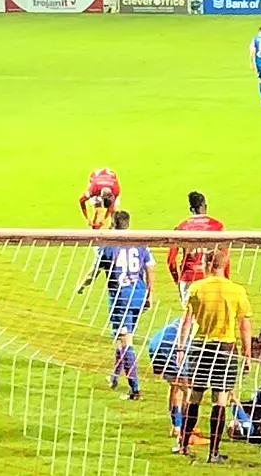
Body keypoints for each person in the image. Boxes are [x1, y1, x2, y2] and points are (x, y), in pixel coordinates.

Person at [176, 250, 253, 464]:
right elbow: (244, 325)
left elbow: (187, 321)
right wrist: (247, 354)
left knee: (195, 397)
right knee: (220, 399)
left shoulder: (196, 288)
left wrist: (181, 349)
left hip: (201, 346)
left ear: (208, 264)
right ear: (224, 264)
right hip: (225, 348)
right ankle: (214, 452)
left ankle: (183, 445)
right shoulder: (237, 291)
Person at [77, 210, 154, 400]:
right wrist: (150, 294)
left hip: (121, 299)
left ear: (113, 223)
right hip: (139, 295)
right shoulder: (140, 242)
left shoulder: (109, 246)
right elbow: (150, 268)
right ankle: (114, 377)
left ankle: (135, 389)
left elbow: (95, 271)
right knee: (124, 338)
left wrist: (82, 285)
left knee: (125, 342)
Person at [148, 320, 209, 448]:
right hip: (174, 343)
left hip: (157, 340)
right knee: (189, 390)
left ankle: (177, 425)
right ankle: (184, 433)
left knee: (176, 385)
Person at [167, 191, 229, 306]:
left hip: (188, 277)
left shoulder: (182, 227)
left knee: (189, 318)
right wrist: (225, 277)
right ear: (205, 207)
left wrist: (177, 278)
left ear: (191, 209)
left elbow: (171, 260)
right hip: (211, 278)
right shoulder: (217, 225)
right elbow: (224, 257)